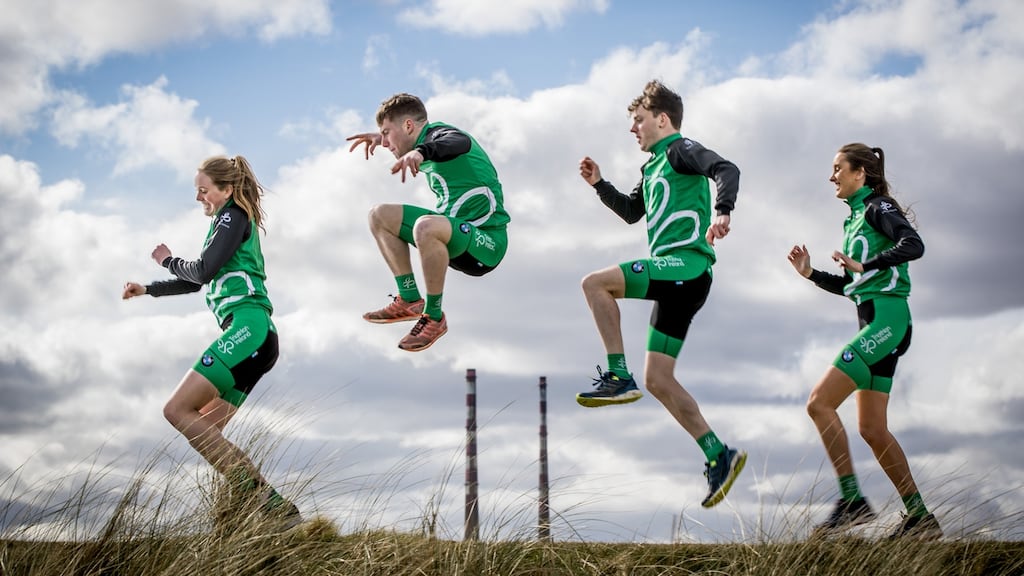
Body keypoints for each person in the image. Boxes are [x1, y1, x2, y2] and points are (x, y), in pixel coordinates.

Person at [576, 80, 746, 508]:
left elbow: (726, 169)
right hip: (679, 280)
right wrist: (599, 184)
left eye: (638, 120)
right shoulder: (652, 166)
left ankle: (617, 375)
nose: (633, 129)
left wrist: (723, 211)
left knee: (595, 283)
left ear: (662, 119)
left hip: (686, 267)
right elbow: (634, 213)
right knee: (658, 380)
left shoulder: (679, 149)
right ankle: (718, 454)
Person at [122, 155, 300, 529]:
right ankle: (273, 514)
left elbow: (201, 272)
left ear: (226, 190)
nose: (199, 197)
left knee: (176, 411)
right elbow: (199, 278)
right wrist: (148, 290)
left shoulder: (231, 216)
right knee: (206, 429)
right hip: (256, 337)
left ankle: (261, 499)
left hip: (248, 329)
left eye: (203, 190)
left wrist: (167, 260)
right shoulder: (227, 222)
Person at [787, 143, 941, 540]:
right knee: (872, 429)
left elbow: (914, 245)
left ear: (861, 174)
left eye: (838, 168)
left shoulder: (878, 207)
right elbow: (852, 285)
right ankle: (920, 519)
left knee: (819, 403)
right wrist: (810, 275)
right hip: (874, 323)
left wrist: (866, 264)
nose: (831, 176)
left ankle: (852, 501)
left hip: (889, 320)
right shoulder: (854, 219)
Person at [347, 93, 510, 352]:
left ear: (409, 126)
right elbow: (414, 142)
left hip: (486, 243)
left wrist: (421, 152)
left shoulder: (441, 135)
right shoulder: (420, 140)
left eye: (388, 133)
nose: (387, 143)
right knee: (379, 215)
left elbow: (457, 142)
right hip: (450, 235)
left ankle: (433, 316)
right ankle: (409, 299)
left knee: (426, 224)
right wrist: (382, 139)